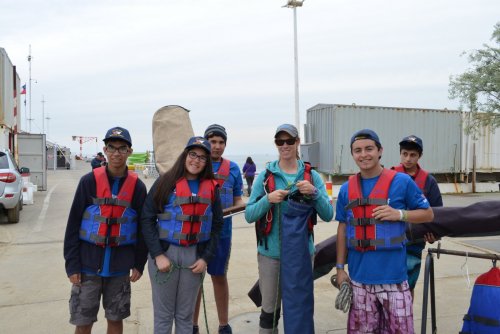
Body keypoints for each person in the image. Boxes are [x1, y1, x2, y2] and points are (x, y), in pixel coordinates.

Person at [335, 129, 434, 333]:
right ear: (352, 154)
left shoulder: (402, 182)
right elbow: (343, 227)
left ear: (380, 151)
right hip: (359, 279)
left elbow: (428, 214)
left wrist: (400, 214)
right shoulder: (346, 189)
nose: (364, 154)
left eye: (369, 149)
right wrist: (339, 268)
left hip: (394, 279)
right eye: (358, 150)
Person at [245, 124, 333, 334]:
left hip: (303, 255)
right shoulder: (265, 177)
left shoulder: (313, 177)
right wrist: (268, 199)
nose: (285, 145)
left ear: (297, 142)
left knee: (300, 309)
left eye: (289, 141)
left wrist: (314, 193)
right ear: (276, 144)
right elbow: (249, 215)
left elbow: (329, 215)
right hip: (271, 256)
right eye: (280, 141)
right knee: (269, 312)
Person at [64, 126, 148, 334]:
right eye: (112, 148)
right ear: (105, 150)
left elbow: (143, 229)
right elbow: (73, 224)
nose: (116, 153)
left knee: (115, 319)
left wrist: (139, 263)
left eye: (122, 148)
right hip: (87, 266)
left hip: (120, 268)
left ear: (129, 151)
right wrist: (72, 264)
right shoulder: (88, 181)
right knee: (83, 322)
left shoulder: (138, 188)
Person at [141, 136, 224, 334]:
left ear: (207, 162)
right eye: (192, 154)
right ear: (185, 155)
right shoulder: (166, 182)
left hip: (195, 258)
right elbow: (147, 217)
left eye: (202, 157)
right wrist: (158, 254)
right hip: (165, 254)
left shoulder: (212, 188)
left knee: (185, 317)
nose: (196, 160)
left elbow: (217, 224)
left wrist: (205, 258)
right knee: (163, 317)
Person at [192, 124, 244, 334]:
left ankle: (223, 324)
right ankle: (192, 325)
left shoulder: (233, 169)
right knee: (194, 279)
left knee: (219, 276)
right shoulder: (195, 164)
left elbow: (238, 199)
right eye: (213, 141)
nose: (217, 146)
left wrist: (240, 207)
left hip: (222, 232)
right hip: (196, 233)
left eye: (221, 142)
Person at [392, 135, 443, 300]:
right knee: (386, 286)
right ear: (400, 154)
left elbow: (438, 214)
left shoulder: (429, 181)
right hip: (389, 241)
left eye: (412, 155)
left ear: (419, 156)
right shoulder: (389, 176)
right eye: (405, 154)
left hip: (414, 244)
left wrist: (434, 236)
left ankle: (405, 321)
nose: (408, 159)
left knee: (408, 287)